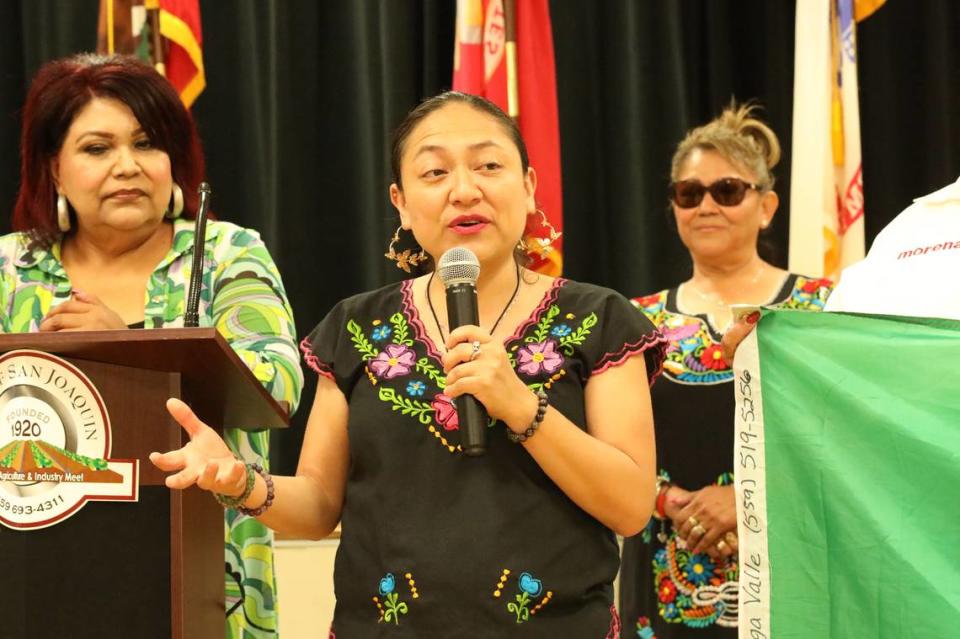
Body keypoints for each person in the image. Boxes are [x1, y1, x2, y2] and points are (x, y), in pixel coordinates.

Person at [150, 91, 666, 637]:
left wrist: (521, 406)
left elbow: (632, 507)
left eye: (489, 166)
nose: (465, 191)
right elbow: (320, 505)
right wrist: (240, 481)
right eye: (435, 172)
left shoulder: (599, 317)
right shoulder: (355, 327)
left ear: (529, 186)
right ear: (400, 200)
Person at [0, 53, 303, 638]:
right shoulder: (11, 269)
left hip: (208, 578)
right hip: (33, 575)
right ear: (54, 169)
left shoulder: (226, 254)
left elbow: (276, 386)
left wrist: (123, 344)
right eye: (97, 148)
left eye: (147, 144)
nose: (128, 166)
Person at [619, 104, 832, 639]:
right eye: (690, 194)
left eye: (728, 190)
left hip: (797, 561)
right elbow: (608, 445)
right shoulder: (633, 320)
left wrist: (748, 498)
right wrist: (673, 504)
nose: (706, 205)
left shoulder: (823, 308)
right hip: (668, 570)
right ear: (673, 208)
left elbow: (848, 441)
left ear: (766, 206)